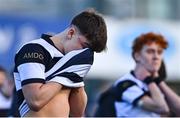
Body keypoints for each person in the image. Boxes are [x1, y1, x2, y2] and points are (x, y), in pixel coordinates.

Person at [13, 8, 107, 117]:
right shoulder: (34, 49)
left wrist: (77, 77)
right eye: (84, 46)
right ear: (71, 33)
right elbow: (35, 101)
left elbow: (77, 114)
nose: (83, 53)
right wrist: (66, 74)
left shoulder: (73, 62)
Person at [95, 32, 180, 117]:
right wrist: (149, 80)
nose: (156, 56)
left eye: (160, 52)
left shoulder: (155, 85)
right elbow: (161, 108)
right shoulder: (125, 83)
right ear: (137, 56)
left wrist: (158, 81)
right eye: (150, 51)